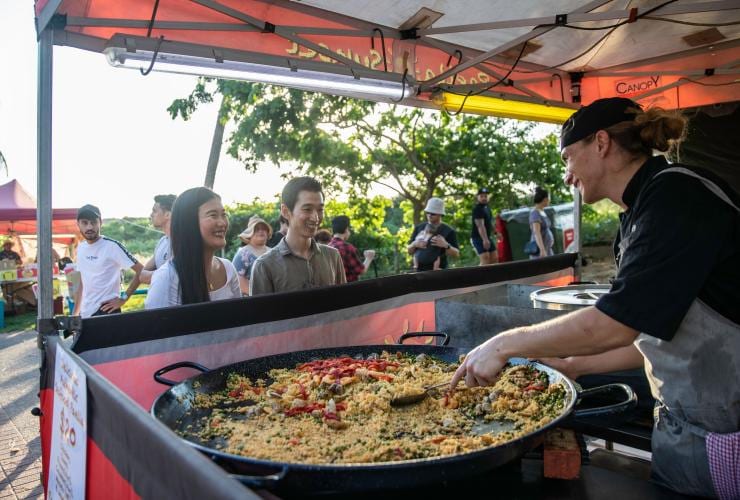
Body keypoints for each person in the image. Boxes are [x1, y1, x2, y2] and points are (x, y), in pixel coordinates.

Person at [450, 97, 740, 498]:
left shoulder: (677, 196)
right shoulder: (639, 212)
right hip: (683, 425)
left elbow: (614, 323)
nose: (567, 176)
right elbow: (656, 336)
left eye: (568, 157)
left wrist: (502, 343)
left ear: (601, 143)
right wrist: (574, 364)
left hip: (726, 436)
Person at [145, 187, 240, 309]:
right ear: (189, 223)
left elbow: (242, 322)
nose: (222, 223)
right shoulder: (167, 279)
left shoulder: (228, 269)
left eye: (223, 214)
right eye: (213, 215)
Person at [250, 177, 345, 295]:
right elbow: (260, 313)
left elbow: (344, 308)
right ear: (285, 211)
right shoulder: (265, 266)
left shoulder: (333, 256)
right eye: (307, 209)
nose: (315, 217)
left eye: (320, 209)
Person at [73, 204, 143, 317]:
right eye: (85, 223)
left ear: (100, 222)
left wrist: (123, 298)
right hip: (85, 313)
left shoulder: (112, 246)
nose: (89, 227)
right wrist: (75, 314)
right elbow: (82, 281)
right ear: (78, 224)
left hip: (107, 310)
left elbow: (141, 271)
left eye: (93, 222)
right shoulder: (81, 248)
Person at [407, 197, 459, 271]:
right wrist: (414, 244)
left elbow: (456, 254)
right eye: (428, 212)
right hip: (418, 273)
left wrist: (446, 245)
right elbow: (409, 251)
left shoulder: (449, 231)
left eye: (433, 213)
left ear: (440, 214)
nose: (429, 215)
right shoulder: (419, 228)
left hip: (439, 273)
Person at [139, 194, 176, 284]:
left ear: (168, 214)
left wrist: (156, 275)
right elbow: (142, 275)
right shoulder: (163, 241)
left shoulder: (183, 241)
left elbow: (174, 276)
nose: (151, 215)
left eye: (155, 211)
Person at [329, 215, 376, 282]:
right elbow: (360, 271)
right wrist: (369, 258)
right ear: (346, 229)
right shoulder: (347, 247)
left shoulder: (328, 246)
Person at [232, 217, 272, 295]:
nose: (261, 231)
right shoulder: (243, 253)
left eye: (264, 229)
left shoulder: (273, 252)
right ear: (250, 234)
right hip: (251, 301)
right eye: (257, 229)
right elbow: (236, 279)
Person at [471, 187, 497, 265]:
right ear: (477, 197)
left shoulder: (487, 208)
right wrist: (485, 240)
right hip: (478, 237)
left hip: (487, 237)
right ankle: (478, 276)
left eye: (485, 196)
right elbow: (480, 226)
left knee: (494, 257)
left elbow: (489, 222)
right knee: (485, 258)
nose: (484, 198)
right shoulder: (477, 209)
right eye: (481, 196)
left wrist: (496, 233)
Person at [528, 187, 554, 258]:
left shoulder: (542, 211)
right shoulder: (535, 213)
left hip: (547, 248)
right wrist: (542, 249)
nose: (549, 200)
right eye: (548, 198)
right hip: (540, 252)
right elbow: (536, 232)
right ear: (545, 199)